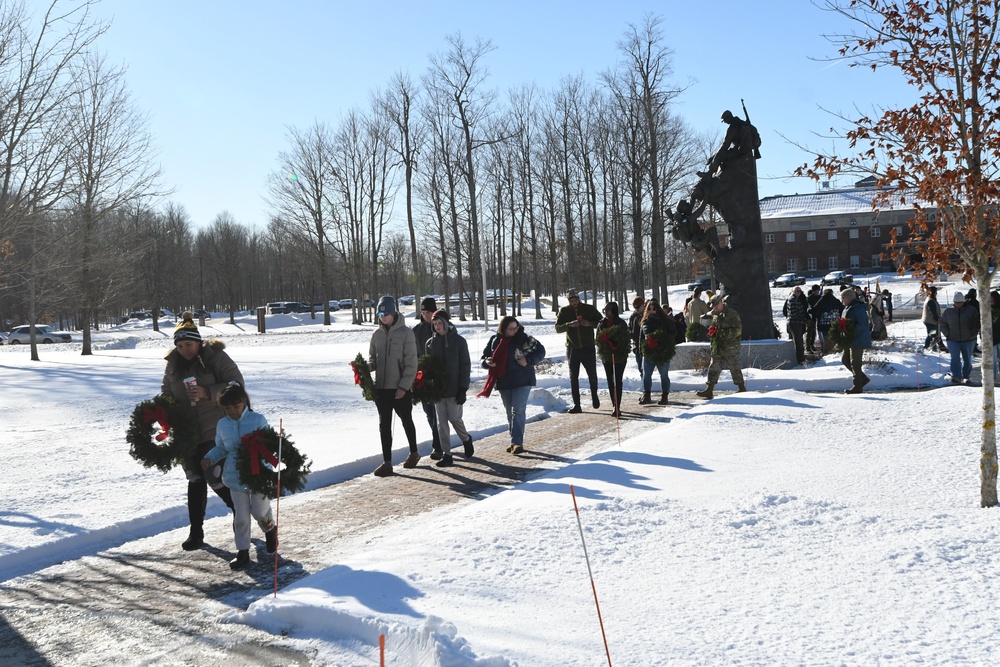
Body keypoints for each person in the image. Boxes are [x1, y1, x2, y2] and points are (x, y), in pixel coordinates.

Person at [161, 312, 242, 552]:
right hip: (187, 433)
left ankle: (241, 515)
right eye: (180, 345)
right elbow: (166, 393)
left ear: (198, 342)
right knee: (194, 479)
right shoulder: (173, 366)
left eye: (189, 344)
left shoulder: (215, 358)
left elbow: (236, 385)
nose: (185, 349)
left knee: (215, 476)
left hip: (216, 430)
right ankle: (196, 533)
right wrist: (163, 412)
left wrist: (207, 393)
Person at [201, 383, 276, 570]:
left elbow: (269, 444)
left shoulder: (257, 420)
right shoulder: (223, 424)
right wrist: (210, 458)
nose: (232, 411)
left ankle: (270, 530)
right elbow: (222, 447)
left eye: (235, 407)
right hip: (235, 478)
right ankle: (242, 552)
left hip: (258, 475)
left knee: (259, 511)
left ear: (244, 402)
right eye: (227, 408)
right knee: (241, 516)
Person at [368, 295, 419, 476]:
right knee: (384, 425)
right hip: (381, 388)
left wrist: (404, 386)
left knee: (406, 420)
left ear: (393, 313)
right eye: (380, 314)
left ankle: (414, 452)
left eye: (386, 313)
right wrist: (369, 366)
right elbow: (373, 358)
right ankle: (387, 462)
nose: (382, 317)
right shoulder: (376, 334)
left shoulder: (406, 333)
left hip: (400, 389)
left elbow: (412, 362)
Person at [480, 316, 546, 454]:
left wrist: (528, 360)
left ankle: (517, 442)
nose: (514, 331)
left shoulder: (524, 338)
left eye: (516, 328)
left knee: (518, 411)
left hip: (523, 379)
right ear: (503, 329)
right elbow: (484, 357)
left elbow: (541, 351)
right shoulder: (495, 340)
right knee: (510, 412)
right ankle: (514, 439)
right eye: (511, 329)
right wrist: (487, 362)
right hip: (504, 381)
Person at [426, 309, 472, 467]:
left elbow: (465, 366)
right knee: (441, 423)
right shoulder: (430, 344)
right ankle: (447, 454)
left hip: (454, 389)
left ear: (447, 323)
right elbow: (428, 365)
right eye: (435, 324)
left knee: (454, 418)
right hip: (439, 391)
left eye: (440, 323)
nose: (438, 327)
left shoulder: (459, 342)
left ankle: (466, 439)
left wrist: (462, 388)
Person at [555, 288, 602, 413]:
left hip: (588, 347)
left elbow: (601, 322)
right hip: (572, 349)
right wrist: (569, 325)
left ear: (579, 299)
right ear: (568, 300)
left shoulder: (589, 308)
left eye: (576, 300)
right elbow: (558, 328)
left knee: (592, 374)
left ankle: (594, 395)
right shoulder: (564, 311)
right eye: (572, 301)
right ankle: (577, 404)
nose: (574, 303)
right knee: (573, 377)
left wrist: (590, 324)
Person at [696, 295, 746, 399]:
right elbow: (714, 327)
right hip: (718, 346)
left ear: (721, 302)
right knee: (714, 366)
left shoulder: (731, 313)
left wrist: (722, 334)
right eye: (713, 306)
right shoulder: (715, 315)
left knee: (734, 366)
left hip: (730, 346)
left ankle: (741, 388)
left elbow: (737, 330)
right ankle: (709, 389)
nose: (715, 308)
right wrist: (713, 332)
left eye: (716, 305)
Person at [412, 297, 443, 460]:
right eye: (423, 313)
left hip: (440, 378)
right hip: (422, 378)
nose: (426, 316)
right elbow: (411, 354)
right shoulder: (415, 331)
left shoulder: (441, 328)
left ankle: (442, 444)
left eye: (429, 312)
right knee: (430, 414)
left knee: (444, 415)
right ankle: (437, 445)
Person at [697, 109, 760, 179]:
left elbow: (725, 145)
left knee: (720, 155)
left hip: (740, 152)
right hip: (747, 151)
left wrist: (713, 157)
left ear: (728, 118)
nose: (725, 122)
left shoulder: (733, 127)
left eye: (724, 120)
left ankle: (709, 173)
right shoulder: (743, 123)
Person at [639, 299, 676, 405]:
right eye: (649, 309)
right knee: (646, 374)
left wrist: (665, 341)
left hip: (663, 351)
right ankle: (647, 395)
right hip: (650, 350)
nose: (651, 311)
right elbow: (645, 332)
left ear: (658, 309)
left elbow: (673, 332)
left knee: (664, 374)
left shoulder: (666, 320)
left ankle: (665, 396)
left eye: (654, 308)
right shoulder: (645, 321)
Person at [596, 302, 630, 416]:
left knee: (617, 380)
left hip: (619, 356)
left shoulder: (621, 323)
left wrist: (614, 343)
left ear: (614, 310)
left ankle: (617, 406)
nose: (605, 311)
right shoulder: (601, 323)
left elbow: (625, 339)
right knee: (610, 380)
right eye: (604, 309)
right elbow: (598, 338)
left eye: (608, 309)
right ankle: (613, 404)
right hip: (606, 356)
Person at [939, 291, 979, 384]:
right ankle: (956, 376)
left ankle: (966, 376)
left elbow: (976, 322)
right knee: (955, 358)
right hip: (953, 339)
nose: (958, 305)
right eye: (956, 303)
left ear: (963, 302)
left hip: (969, 340)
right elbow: (943, 324)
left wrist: (973, 333)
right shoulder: (948, 312)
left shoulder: (971, 310)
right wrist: (947, 334)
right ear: (954, 303)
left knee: (967, 359)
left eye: (960, 303)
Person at [839, 288, 873, 393]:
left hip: (858, 338)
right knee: (845, 360)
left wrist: (850, 329)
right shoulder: (847, 308)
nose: (842, 300)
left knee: (855, 363)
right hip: (849, 338)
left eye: (843, 298)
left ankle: (857, 386)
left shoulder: (858, 308)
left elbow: (862, 325)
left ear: (849, 298)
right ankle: (862, 379)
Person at [810, 288, 843, 355]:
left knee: (826, 338)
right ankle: (835, 351)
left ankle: (826, 351)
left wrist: (809, 311)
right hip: (834, 323)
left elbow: (815, 309)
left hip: (824, 323)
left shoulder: (822, 300)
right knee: (834, 336)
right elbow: (842, 309)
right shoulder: (836, 300)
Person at [782, 286, 809, 365]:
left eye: (800, 291)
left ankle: (798, 359)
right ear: (792, 291)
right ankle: (800, 360)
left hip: (794, 323)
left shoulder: (795, 299)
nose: (798, 292)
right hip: (796, 323)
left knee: (797, 342)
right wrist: (804, 317)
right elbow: (796, 313)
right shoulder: (793, 300)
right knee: (798, 342)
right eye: (797, 291)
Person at [628, 296, 645, 373]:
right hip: (637, 347)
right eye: (635, 307)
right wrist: (631, 334)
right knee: (640, 368)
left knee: (647, 370)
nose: (636, 309)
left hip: (648, 346)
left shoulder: (648, 315)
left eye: (638, 307)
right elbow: (629, 328)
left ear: (643, 305)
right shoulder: (633, 316)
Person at [922, 285, 942, 351]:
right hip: (930, 321)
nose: (937, 293)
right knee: (932, 334)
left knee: (934, 334)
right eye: (936, 292)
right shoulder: (930, 301)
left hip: (929, 320)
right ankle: (927, 346)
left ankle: (938, 346)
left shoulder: (931, 299)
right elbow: (933, 312)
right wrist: (938, 318)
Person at [805, 285, 822, 352]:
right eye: (818, 290)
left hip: (816, 316)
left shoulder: (819, 297)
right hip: (810, 317)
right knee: (809, 332)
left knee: (814, 332)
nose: (818, 292)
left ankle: (812, 344)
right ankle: (808, 346)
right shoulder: (809, 298)